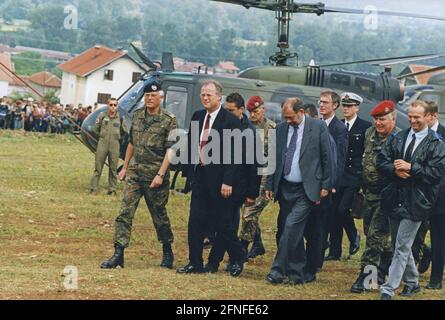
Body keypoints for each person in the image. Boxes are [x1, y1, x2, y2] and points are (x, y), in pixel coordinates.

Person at [100, 82, 177, 270]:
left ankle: (167, 250)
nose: (149, 99)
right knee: (124, 213)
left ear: (161, 97)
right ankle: (119, 253)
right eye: (147, 96)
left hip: (155, 176)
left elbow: (171, 150)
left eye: (153, 96)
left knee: (159, 216)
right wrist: (125, 167)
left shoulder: (169, 119)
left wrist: (160, 174)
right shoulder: (137, 116)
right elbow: (132, 144)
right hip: (135, 173)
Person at [377, 100, 445, 300]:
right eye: (410, 116)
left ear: (427, 117)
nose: (413, 120)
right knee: (402, 244)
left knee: (401, 246)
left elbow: (436, 174)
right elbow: (381, 160)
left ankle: (389, 288)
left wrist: (410, 168)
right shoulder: (398, 137)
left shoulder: (437, 144)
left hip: (417, 202)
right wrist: (395, 170)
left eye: (417, 117)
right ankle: (413, 283)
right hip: (394, 198)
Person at [177, 80, 246, 276]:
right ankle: (195, 263)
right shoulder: (198, 117)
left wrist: (228, 181)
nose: (205, 98)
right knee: (195, 222)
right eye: (203, 94)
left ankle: (238, 255)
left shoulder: (230, 121)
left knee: (222, 225)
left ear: (219, 97)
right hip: (200, 179)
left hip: (221, 181)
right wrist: (189, 174)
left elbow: (236, 154)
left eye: (209, 94)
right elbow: (191, 145)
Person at [265, 97, 332, 285]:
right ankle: (296, 273)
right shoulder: (280, 129)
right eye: (285, 117)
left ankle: (277, 270)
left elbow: (327, 158)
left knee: (290, 227)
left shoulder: (318, 127)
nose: (288, 121)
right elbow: (274, 158)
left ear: (301, 112)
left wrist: (326, 185)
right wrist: (270, 184)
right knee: (290, 230)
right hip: (285, 187)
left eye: (291, 117)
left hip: (306, 189)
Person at [350, 100, 398, 293]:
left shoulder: (398, 139)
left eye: (382, 119)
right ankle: (384, 268)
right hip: (368, 194)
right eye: (376, 119)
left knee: (373, 237)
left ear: (392, 118)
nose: (378, 124)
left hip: (386, 197)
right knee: (377, 236)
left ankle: (366, 278)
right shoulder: (369, 133)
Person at [327, 92, 371, 260]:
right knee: (333, 213)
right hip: (338, 175)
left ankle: (353, 236)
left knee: (343, 210)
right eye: (344, 106)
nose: (346, 109)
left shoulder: (365, 127)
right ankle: (334, 251)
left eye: (350, 106)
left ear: (357, 108)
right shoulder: (338, 125)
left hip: (354, 176)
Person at [223, 92, 261, 272]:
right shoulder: (223, 125)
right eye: (226, 110)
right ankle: (225, 256)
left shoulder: (249, 132)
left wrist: (252, 193)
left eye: (231, 111)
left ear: (241, 110)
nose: (228, 114)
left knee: (229, 223)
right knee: (219, 223)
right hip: (221, 182)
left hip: (239, 185)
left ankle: (236, 258)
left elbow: (254, 165)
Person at [239, 95, 276, 260]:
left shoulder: (272, 129)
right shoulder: (245, 127)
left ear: (263, 109)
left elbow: (275, 158)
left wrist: (270, 184)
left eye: (256, 111)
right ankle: (258, 243)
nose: (253, 115)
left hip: (264, 178)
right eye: (250, 112)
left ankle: (242, 249)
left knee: (249, 212)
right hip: (248, 178)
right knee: (247, 212)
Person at [318, 90, 348, 262]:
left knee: (325, 221)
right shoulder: (316, 124)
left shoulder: (339, 129)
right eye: (320, 102)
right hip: (315, 180)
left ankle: (319, 256)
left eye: (326, 102)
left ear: (335, 106)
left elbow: (340, 160)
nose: (322, 105)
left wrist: (332, 184)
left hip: (329, 184)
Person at [424, 101, 445, 290]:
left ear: (432, 116)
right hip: (420, 194)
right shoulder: (416, 135)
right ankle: (425, 254)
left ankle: (436, 278)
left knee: (439, 237)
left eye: (423, 116)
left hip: (440, 197)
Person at [90, 98, 125, 195]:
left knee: (113, 168)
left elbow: (124, 131)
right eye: (111, 105)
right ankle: (94, 188)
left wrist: (117, 138)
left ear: (117, 106)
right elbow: (95, 129)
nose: (113, 107)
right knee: (98, 167)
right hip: (102, 144)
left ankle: (112, 189)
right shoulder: (102, 116)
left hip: (115, 145)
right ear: (107, 105)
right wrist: (102, 137)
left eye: (115, 105)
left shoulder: (120, 118)